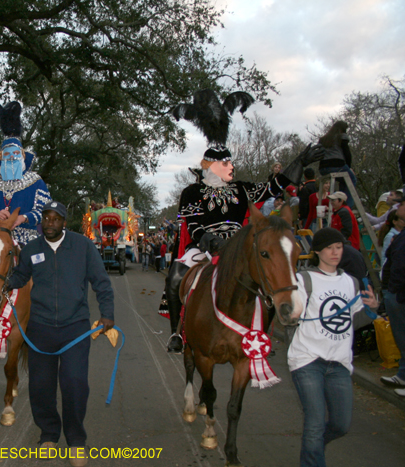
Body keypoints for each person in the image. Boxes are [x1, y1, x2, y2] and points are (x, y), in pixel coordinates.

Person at [165, 88, 323, 352]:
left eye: (229, 163)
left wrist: (300, 161)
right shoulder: (191, 192)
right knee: (175, 274)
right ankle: (176, 333)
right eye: (224, 164)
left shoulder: (240, 189)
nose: (230, 168)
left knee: (266, 275)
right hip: (205, 246)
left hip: (240, 244)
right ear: (208, 167)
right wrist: (206, 239)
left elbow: (272, 187)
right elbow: (191, 223)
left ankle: (262, 334)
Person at [7, 201, 114, 466]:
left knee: (75, 384)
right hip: (40, 328)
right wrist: (1, 284)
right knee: (41, 387)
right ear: (42, 221)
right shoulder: (32, 249)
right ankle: (48, 435)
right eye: (47, 218)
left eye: (56, 219)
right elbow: (20, 277)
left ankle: (76, 440)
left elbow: (101, 281)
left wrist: (107, 313)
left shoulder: (83, 246)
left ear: (65, 222)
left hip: (74, 328)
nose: (50, 223)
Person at [288, 228, 379, 467]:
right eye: (329, 248)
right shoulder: (303, 279)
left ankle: (313, 446)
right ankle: (313, 453)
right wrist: (289, 313)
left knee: (341, 424)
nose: (335, 252)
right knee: (315, 423)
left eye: (339, 247)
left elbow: (352, 321)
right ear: (317, 251)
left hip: (339, 363)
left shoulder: (351, 282)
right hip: (307, 360)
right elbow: (289, 317)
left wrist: (372, 309)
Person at [0, 101, 52, 245]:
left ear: (23, 156)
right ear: (1, 157)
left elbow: (45, 210)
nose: (12, 157)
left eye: (15, 153)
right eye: (7, 154)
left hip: (29, 241)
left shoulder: (36, 181)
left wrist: (23, 218)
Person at [379, 202, 405, 394]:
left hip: (398, 294)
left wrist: (394, 290)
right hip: (394, 293)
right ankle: (403, 375)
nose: (399, 206)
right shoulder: (399, 236)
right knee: (401, 337)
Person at [318, 121, 358, 207]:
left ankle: (340, 200)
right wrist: (349, 167)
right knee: (352, 179)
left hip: (323, 168)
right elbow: (347, 153)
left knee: (343, 181)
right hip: (336, 165)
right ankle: (347, 206)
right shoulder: (341, 137)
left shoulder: (323, 139)